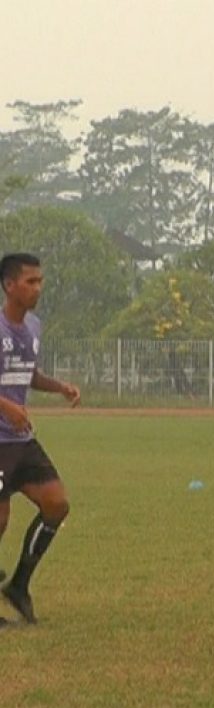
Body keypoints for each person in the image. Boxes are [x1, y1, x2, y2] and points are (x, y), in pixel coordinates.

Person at [0, 253, 80, 625]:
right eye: (30, 282)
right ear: (9, 285)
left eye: (40, 281)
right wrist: (6, 406)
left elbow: (26, 374)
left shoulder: (32, 327)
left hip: (21, 441)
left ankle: (18, 585)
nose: (38, 288)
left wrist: (58, 386)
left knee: (56, 504)